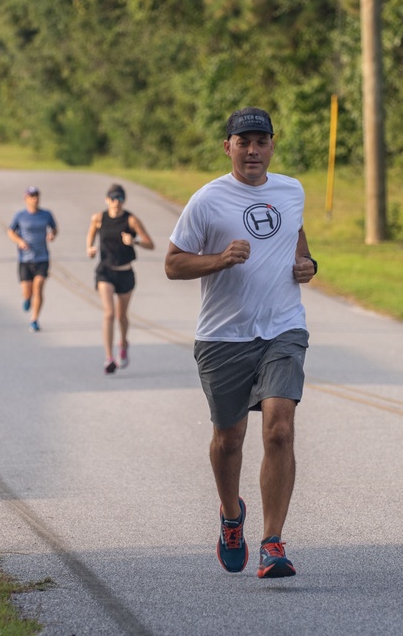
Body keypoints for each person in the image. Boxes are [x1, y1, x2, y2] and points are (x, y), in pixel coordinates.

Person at [165, 107, 317, 579]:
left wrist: (308, 264)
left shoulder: (291, 190)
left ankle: (273, 543)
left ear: (272, 144)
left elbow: (297, 240)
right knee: (229, 440)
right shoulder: (208, 200)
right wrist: (218, 259)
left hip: (282, 328)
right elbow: (172, 264)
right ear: (227, 146)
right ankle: (232, 516)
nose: (252, 151)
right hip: (223, 336)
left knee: (279, 428)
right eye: (243, 142)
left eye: (261, 141)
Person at [86, 184, 155, 373]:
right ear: (106, 199)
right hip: (105, 272)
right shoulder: (99, 218)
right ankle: (109, 358)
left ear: (124, 200)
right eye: (113, 198)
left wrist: (135, 241)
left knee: (121, 316)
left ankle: (123, 343)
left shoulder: (131, 220)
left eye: (120, 198)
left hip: (125, 273)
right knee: (109, 313)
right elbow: (91, 235)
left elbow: (151, 244)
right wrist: (90, 249)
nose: (116, 202)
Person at [8, 186, 58, 332]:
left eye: (36, 196)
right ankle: (27, 298)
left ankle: (34, 319)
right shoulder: (20, 215)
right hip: (25, 259)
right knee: (27, 291)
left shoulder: (46, 214)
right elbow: (10, 231)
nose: (34, 199)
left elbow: (54, 228)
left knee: (39, 288)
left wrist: (52, 235)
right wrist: (19, 241)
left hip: (42, 257)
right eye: (31, 196)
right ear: (26, 199)